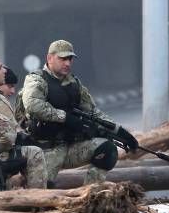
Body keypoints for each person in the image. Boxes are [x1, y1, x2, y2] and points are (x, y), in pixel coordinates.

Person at [20, 39, 138, 186]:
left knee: (107, 150)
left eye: (70, 59)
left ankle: (92, 195)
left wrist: (119, 131)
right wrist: (65, 118)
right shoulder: (37, 79)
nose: (67, 63)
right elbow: (33, 106)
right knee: (40, 197)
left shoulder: (74, 83)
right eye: (62, 58)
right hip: (45, 151)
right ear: (49, 58)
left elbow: (93, 112)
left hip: (70, 148)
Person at [0, 55, 47, 188]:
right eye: (1, 68)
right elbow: (8, 139)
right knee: (35, 152)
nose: (4, 71)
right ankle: (38, 202)